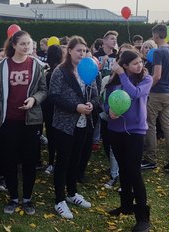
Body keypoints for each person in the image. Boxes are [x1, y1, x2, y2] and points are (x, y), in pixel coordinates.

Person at [0, 30, 47, 215]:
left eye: (29, 43)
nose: (27, 47)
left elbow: (43, 90)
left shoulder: (36, 65)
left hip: (31, 122)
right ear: (14, 45)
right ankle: (13, 197)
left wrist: (34, 99)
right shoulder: (2, 66)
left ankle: (27, 198)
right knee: (9, 160)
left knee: (29, 161)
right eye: (23, 44)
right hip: (8, 121)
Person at [48, 36, 100, 219]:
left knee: (76, 160)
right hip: (64, 124)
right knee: (63, 162)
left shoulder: (89, 69)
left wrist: (92, 105)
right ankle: (59, 200)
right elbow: (53, 97)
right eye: (78, 50)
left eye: (85, 51)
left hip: (84, 123)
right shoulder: (60, 72)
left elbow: (95, 94)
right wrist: (74, 107)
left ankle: (71, 193)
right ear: (69, 51)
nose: (82, 54)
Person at [106, 50, 153, 232]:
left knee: (134, 171)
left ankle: (143, 217)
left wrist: (122, 75)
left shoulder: (145, 80)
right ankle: (126, 205)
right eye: (134, 63)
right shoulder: (114, 80)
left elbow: (134, 94)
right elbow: (107, 98)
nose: (139, 65)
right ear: (124, 65)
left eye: (140, 62)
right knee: (123, 168)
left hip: (136, 131)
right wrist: (108, 109)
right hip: (115, 130)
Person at [141, 24, 169, 173]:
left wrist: (146, 87)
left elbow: (157, 76)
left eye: (153, 35)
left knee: (150, 124)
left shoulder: (158, 52)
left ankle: (151, 159)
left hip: (157, 93)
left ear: (156, 36)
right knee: (168, 126)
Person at [41, 45, 63, 175]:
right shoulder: (59, 70)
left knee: (51, 135)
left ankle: (51, 162)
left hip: (49, 108)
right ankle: (54, 162)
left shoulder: (49, 72)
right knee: (59, 136)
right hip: (58, 107)